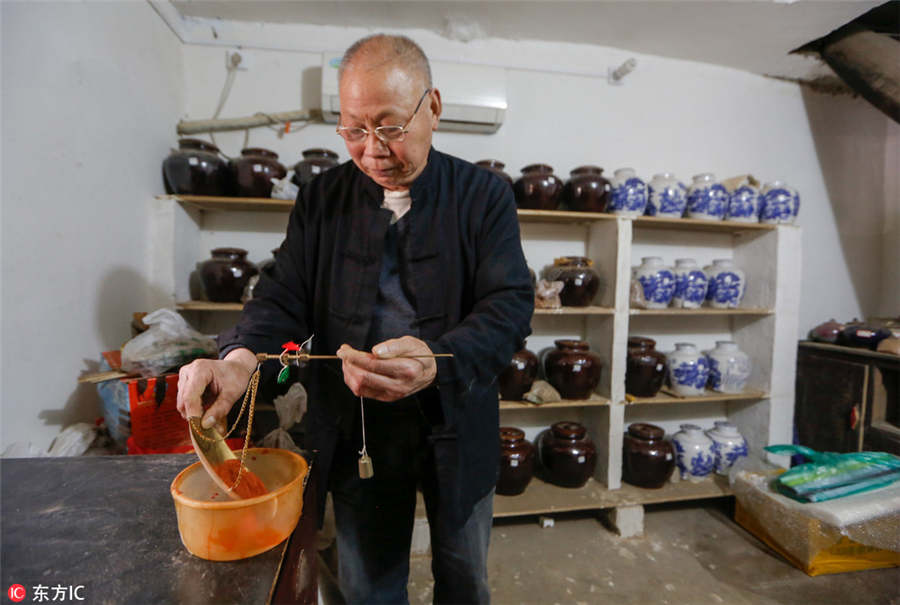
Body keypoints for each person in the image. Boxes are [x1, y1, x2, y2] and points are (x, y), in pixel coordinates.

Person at [177, 33, 533, 604]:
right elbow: (283, 296)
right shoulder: (323, 198)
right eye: (353, 129)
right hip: (357, 426)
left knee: (464, 577)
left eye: (390, 127)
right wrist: (240, 359)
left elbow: (510, 303)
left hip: (456, 417)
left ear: (433, 109)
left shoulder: (483, 196)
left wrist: (438, 358)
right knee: (369, 584)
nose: (372, 150)